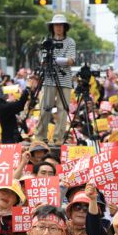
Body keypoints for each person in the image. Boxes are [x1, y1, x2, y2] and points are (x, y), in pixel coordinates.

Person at [34, 14, 76, 145]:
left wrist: (54, 60)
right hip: (48, 79)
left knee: (62, 109)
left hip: (65, 79)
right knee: (45, 108)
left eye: (61, 25)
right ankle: (40, 137)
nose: (58, 27)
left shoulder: (70, 42)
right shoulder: (46, 41)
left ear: (65, 27)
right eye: (56, 25)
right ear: (52, 27)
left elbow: (71, 61)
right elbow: (43, 61)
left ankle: (58, 138)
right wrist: (60, 61)